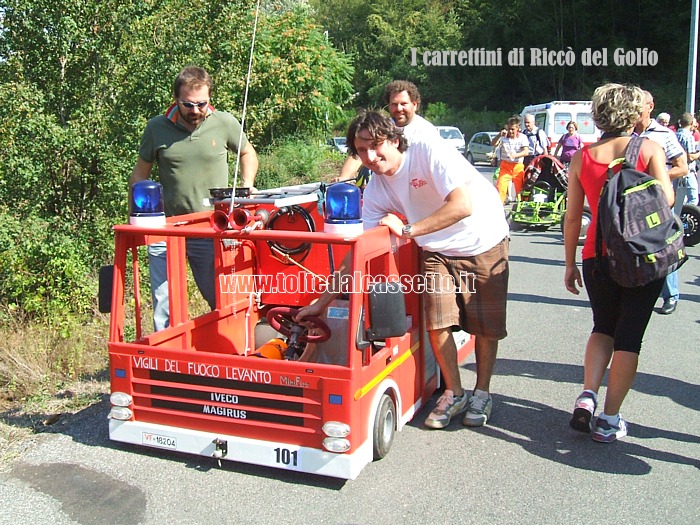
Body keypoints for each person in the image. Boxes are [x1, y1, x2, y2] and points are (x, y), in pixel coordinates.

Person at [298, 110, 509, 429]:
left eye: (375, 146)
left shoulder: (428, 151)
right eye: (360, 150)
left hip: (482, 239)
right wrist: (321, 303)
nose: (369, 156)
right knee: (437, 323)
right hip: (437, 248)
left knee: (484, 326)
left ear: (394, 140)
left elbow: (463, 206)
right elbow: (357, 254)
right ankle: (455, 392)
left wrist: (408, 229)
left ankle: (482, 392)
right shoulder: (377, 190)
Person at [564, 83, 674, 443]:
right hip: (642, 255)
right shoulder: (651, 150)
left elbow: (572, 216)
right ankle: (609, 419)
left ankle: (588, 393)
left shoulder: (583, 157)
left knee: (602, 327)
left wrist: (569, 264)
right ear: (632, 112)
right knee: (629, 340)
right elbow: (667, 199)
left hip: (597, 254)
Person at [130, 66, 259, 331]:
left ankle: (232, 343)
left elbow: (248, 153)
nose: (195, 110)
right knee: (164, 301)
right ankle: (164, 357)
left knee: (221, 296)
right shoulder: (157, 128)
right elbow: (139, 176)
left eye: (202, 103)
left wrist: (247, 187)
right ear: (175, 99)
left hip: (211, 228)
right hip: (167, 230)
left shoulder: (224, 123)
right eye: (188, 104)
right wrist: (140, 215)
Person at [634, 91, 688, 315]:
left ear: (650, 107)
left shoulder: (664, 134)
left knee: (663, 245)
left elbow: (682, 166)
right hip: (633, 202)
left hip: (658, 199)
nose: (636, 111)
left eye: (640, 106)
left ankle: (671, 295)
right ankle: (639, 292)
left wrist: (658, 178)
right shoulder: (625, 133)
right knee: (636, 246)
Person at [334, 80, 440, 183]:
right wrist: (344, 178)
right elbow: (357, 155)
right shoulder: (381, 127)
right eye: (394, 104)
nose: (399, 108)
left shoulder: (427, 132)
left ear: (415, 105)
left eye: (403, 104)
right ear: (388, 105)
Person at [491, 115, 529, 203]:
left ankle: (521, 206)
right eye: (509, 129)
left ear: (518, 129)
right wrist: (499, 135)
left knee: (520, 190)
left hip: (517, 166)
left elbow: (526, 152)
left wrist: (515, 155)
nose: (510, 131)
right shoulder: (503, 136)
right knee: (501, 187)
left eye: (513, 129)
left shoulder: (522, 137)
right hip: (505, 166)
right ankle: (499, 205)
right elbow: (493, 143)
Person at [676, 112, 700, 205]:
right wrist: (698, 154)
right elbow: (690, 156)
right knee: (693, 198)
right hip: (688, 170)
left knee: (679, 198)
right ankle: (685, 219)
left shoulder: (675, 135)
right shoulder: (688, 137)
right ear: (691, 124)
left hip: (677, 169)